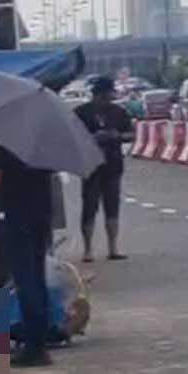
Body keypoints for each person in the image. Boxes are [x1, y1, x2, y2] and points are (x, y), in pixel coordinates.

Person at [0, 141, 53, 368]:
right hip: (41, 211)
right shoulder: (44, 136)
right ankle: (40, 338)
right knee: (37, 274)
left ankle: (33, 346)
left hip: (14, 213)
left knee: (25, 277)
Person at [74, 76, 131, 263]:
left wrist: (117, 135)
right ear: (95, 95)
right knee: (89, 206)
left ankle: (113, 247)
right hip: (90, 165)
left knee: (112, 205)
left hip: (113, 164)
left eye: (108, 97)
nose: (106, 100)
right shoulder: (80, 113)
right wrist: (91, 137)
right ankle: (88, 249)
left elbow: (130, 133)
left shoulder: (118, 112)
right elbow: (72, 136)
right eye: (103, 97)